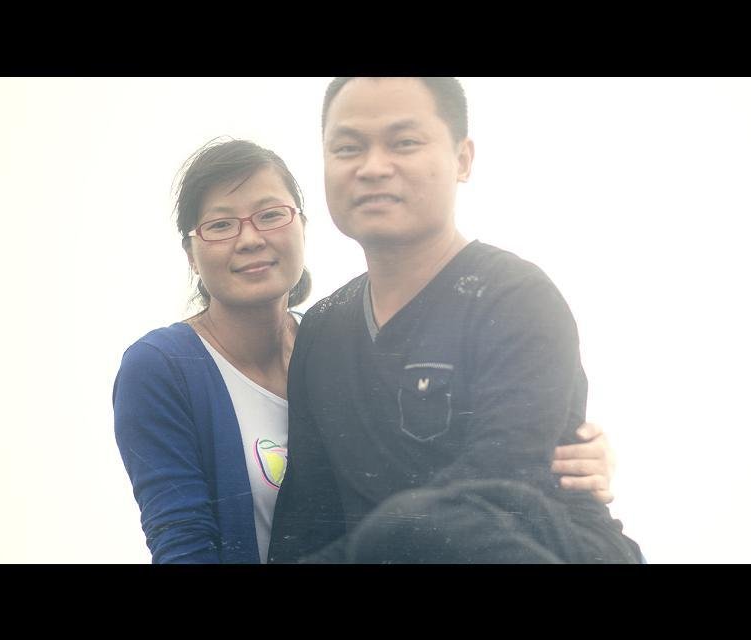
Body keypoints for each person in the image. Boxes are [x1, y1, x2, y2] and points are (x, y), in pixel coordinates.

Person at [113, 138, 619, 563]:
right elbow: (181, 540)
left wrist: (556, 460)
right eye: (221, 225)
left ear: (302, 225)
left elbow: (439, 452)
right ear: (191, 253)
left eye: (270, 215)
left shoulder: (335, 343)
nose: (249, 239)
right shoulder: (162, 367)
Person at [268, 78, 642, 563]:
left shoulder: (515, 297)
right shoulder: (322, 329)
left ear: (462, 159)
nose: (373, 167)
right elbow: (307, 512)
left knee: (427, 525)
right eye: (347, 148)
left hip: (537, 550)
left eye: (404, 142)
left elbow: (495, 494)